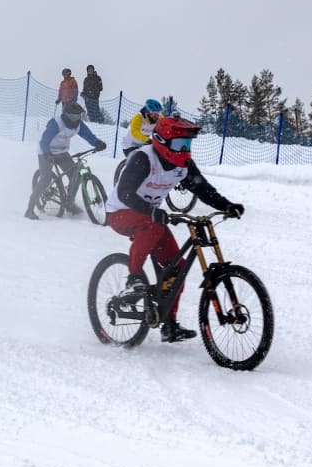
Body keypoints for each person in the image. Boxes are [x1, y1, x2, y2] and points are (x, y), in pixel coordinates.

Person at [104, 115, 245, 342]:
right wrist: (150, 211)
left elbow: (203, 189)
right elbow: (124, 193)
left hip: (150, 217)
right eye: (180, 144)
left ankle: (169, 324)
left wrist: (226, 205)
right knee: (152, 225)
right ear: (161, 140)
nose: (184, 150)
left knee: (176, 267)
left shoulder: (183, 165)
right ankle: (134, 278)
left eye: (188, 145)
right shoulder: (143, 158)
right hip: (121, 212)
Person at [25, 101, 107, 220]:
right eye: (73, 116)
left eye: (78, 116)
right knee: (45, 179)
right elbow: (44, 141)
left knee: (76, 175)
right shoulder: (56, 123)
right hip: (45, 151)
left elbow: (88, 135)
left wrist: (97, 142)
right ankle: (30, 209)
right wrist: (47, 154)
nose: (76, 118)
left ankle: (69, 204)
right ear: (66, 115)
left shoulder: (78, 124)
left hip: (62, 152)